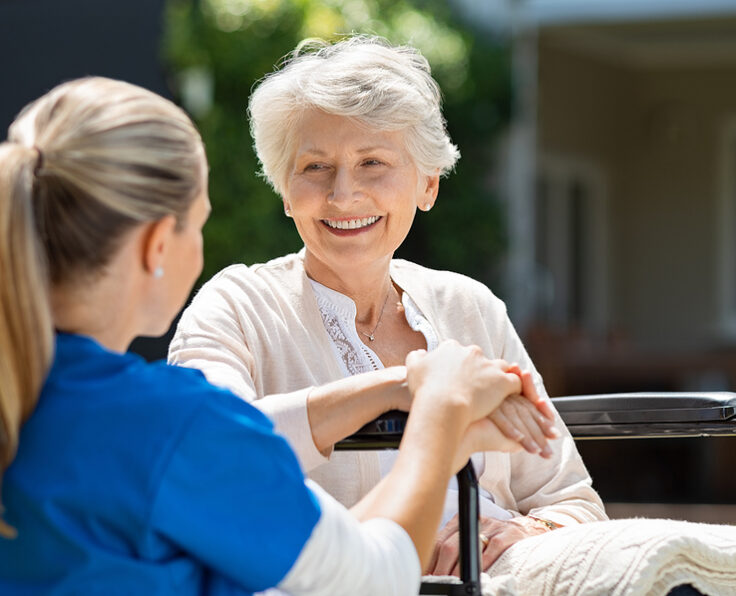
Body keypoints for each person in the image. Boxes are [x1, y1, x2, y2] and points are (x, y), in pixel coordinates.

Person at [0, 76, 555, 594]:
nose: (343, 193)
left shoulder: (32, 400)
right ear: (156, 246)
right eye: (200, 222)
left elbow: (316, 570)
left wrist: (395, 391)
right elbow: (376, 575)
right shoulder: (175, 425)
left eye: (372, 163)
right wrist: (440, 408)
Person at [168, 35, 607, 576]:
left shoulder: (470, 307)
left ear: (427, 184)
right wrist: (406, 387)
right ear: (285, 191)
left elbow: (573, 501)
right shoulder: (235, 305)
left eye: (372, 162)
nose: (343, 195)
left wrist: (522, 530)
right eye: (314, 168)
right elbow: (210, 453)